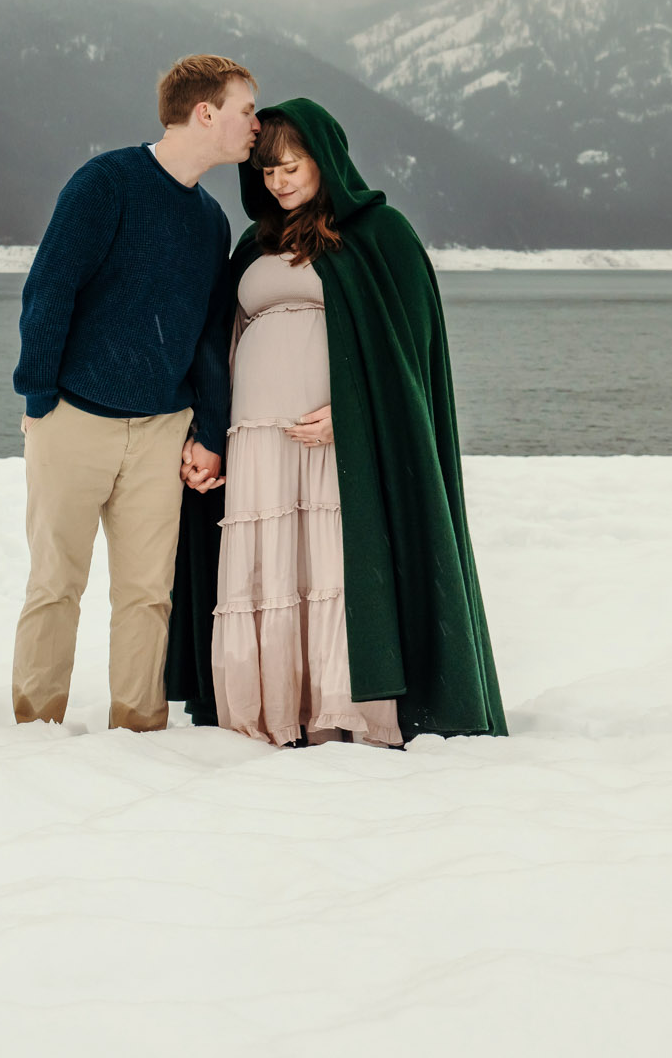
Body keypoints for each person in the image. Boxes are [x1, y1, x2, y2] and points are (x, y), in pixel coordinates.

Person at [166, 98, 506, 745]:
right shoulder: (253, 243)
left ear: (326, 159)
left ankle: (340, 712)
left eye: (292, 166)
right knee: (269, 567)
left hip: (337, 443)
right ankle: (273, 707)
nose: (280, 180)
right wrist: (208, 429)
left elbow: (409, 360)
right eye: (268, 171)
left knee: (334, 568)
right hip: (259, 439)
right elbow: (217, 343)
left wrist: (355, 412)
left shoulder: (382, 236)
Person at [9, 54, 259, 731]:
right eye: (247, 109)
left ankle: (139, 729)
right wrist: (39, 398)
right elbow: (51, 288)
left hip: (159, 431)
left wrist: (208, 428)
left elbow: (209, 338)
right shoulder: (106, 184)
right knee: (56, 585)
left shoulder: (211, 222)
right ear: (205, 112)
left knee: (148, 593)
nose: (255, 126)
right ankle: (34, 727)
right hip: (73, 417)